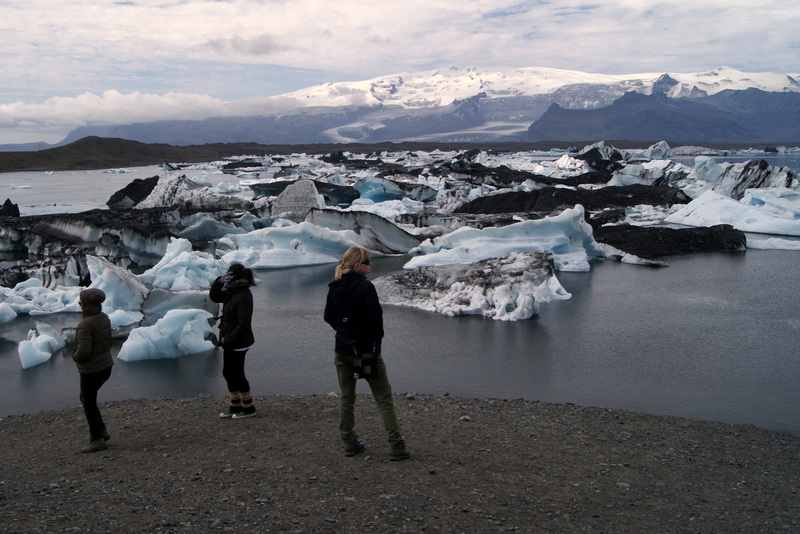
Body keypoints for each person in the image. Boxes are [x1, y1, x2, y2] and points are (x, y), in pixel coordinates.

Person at [324, 246, 410, 460]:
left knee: (347, 397)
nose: (371, 265)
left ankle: (349, 440)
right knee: (383, 397)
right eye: (368, 262)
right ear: (357, 265)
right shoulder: (365, 287)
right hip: (365, 352)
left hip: (343, 349)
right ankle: (396, 444)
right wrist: (372, 342)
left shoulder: (335, 287)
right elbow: (375, 321)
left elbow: (329, 316)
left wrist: (344, 332)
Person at [209, 263, 257, 419]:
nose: (227, 278)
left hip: (239, 342)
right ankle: (235, 405)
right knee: (228, 372)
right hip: (230, 340)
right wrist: (219, 281)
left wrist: (226, 340)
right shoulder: (232, 291)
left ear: (236, 277)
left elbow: (243, 324)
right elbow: (215, 297)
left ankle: (248, 408)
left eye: (229, 275)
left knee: (237, 373)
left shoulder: (243, 295)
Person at [72, 288, 113, 454]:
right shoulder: (104, 318)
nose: (79, 304)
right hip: (105, 366)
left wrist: (74, 356)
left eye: (81, 302)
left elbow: (83, 352)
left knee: (88, 401)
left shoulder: (85, 325)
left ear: (85, 305)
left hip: (91, 370)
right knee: (88, 398)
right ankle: (101, 430)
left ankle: (97, 439)